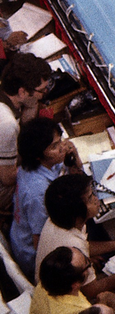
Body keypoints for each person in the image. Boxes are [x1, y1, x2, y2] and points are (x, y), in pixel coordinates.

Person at [11, 119, 81, 278]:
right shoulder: (38, 192)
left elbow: (72, 176)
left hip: (21, 235)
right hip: (33, 257)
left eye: (60, 141)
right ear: (38, 155)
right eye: (54, 146)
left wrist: (73, 158)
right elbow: (42, 242)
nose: (62, 147)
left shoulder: (45, 163)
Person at [0, 53, 52, 217]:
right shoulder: (7, 124)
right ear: (22, 92)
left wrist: (30, 108)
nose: (44, 95)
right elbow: (7, 178)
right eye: (41, 91)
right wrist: (44, 162)